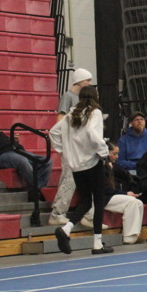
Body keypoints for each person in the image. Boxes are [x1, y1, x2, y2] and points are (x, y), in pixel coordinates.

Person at [49, 85, 112, 255]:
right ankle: (97, 243)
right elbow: (93, 134)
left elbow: (53, 132)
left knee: (85, 201)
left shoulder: (70, 115)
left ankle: (66, 229)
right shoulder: (94, 113)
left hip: (76, 166)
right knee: (99, 201)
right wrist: (104, 152)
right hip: (92, 163)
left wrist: (65, 152)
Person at [49, 68, 94, 225]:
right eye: (88, 80)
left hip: (80, 146)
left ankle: (88, 214)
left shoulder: (82, 99)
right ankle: (57, 212)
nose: (90, 83)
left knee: (83, 180)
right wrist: (63, 146)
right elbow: (60, 120)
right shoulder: (68, 97)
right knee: (69, 179)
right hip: (71, 147)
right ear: (80, 81)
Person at [79, 142, 144, 245]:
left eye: (117, 154)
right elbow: (105, 189)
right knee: (133, 202)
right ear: (107, 152)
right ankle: (129, 237)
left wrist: (130, 184)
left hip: (110, 195)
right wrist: (125, 193)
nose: (117, 157)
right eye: (114, 154)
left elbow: (123, 175)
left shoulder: (111, 165)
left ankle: (134, 234)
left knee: (138, 203)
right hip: (102, 198)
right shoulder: (100, 166)